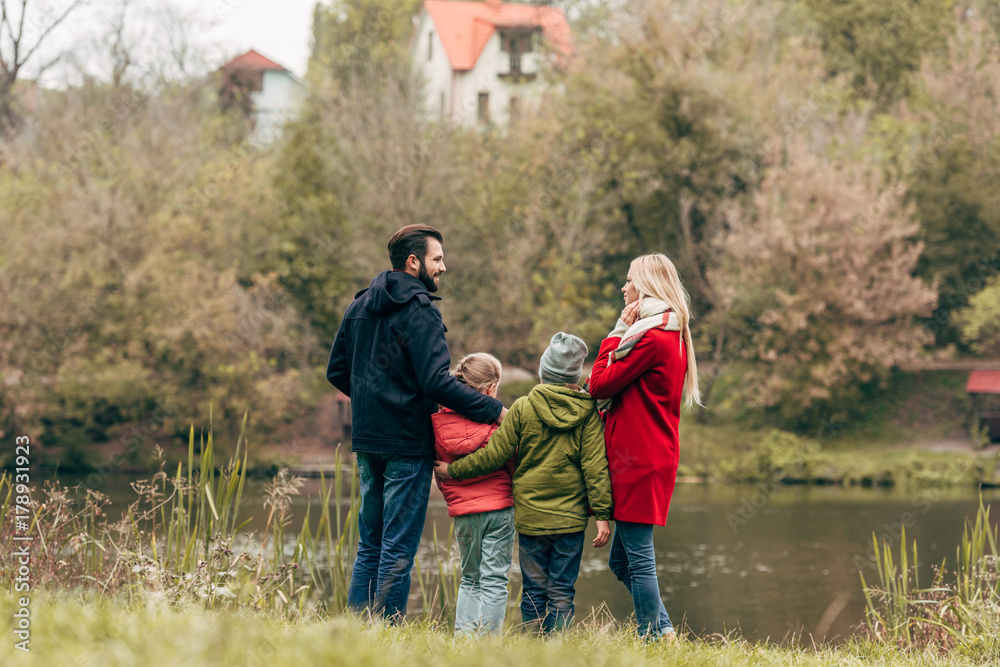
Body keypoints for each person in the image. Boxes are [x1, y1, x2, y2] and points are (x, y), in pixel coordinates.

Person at [327, 225, 505, 622]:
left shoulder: (358, 307)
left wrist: (375, 399)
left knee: (370, 544)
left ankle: (358, 632)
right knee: (397, 547)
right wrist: (495, 411)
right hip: (407, 442)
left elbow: (337, 371)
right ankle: (387, 634)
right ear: (414, 262)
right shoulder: (421, 311)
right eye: (437, 258)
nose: (444, 266)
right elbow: (436, 382)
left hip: (368, 441)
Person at [435, 332, 612, 634]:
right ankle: (554, 652)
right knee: (561, 592)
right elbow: (596, 467)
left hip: (529, 519)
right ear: (574, 375)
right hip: (570, 520)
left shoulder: (522, 408)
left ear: (544, 372)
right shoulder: (588, 414)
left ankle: (526, 648)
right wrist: (603, 515)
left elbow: (494, 455)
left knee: (531, 591)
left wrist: (454, 471)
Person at [586, 253, 702, 640]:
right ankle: (663, 629)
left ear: (646, 286)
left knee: (637, 558)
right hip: (648, 456)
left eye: (629, 281)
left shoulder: (650, 338)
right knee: (623, 561)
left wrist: (617, 329)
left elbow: (598, 385)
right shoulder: (670, 333)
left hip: (638, 459)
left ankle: (651, 635)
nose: (623, 288)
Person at [432, 353, 516, 636]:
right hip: (500, 510)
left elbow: (437, 469)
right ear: (491, 390)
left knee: (470, 578)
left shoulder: (439, 422)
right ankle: (487, 647)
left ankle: (464, 642)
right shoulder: (497, 423)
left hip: (464, 513)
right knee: (494, 580)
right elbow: (514, 459)